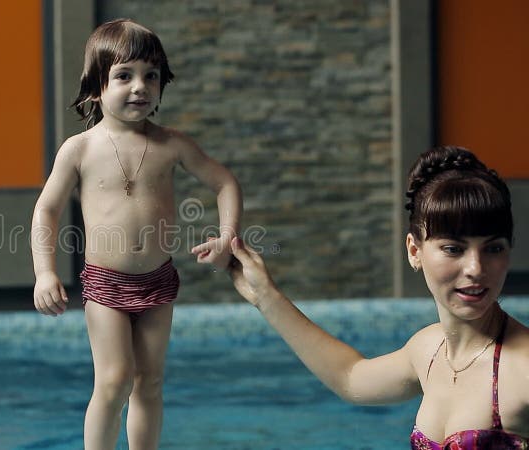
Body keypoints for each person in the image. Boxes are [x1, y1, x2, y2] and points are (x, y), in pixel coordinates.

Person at [219, 146, 529, 449]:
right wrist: (265, 296)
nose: (476, 268)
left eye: (494, 248)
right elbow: (351, 379)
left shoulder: (523, 368)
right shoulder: (429, 350)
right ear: (414, 251)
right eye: (453, 249)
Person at [31, 18, 242, 450]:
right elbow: (46, 210)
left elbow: (224, 183)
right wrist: (45, 273)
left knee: (150, 381)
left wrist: (226, 238)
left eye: (151, 76)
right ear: (96, 87)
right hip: (106, 283)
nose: (139, 87)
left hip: (158, 280)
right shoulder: (80, 149)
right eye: (123, 76)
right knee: (113, 380)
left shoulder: (172, 145)